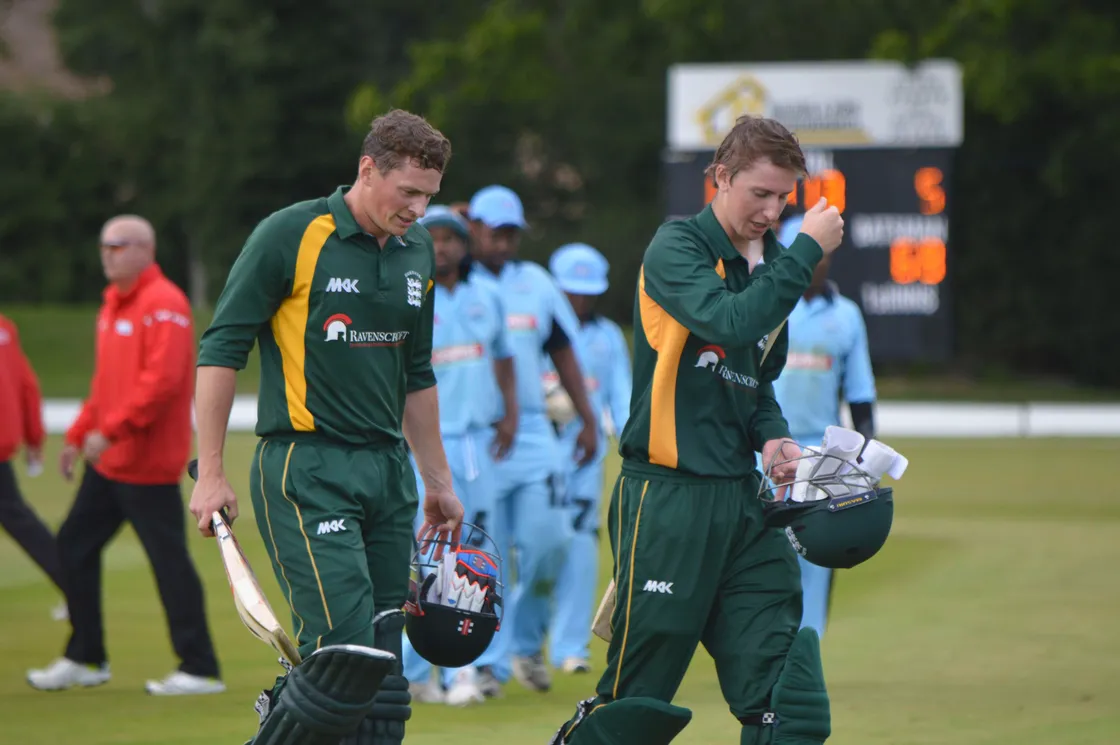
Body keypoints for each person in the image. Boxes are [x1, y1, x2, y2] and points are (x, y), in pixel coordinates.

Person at [550, 115, 845, 745]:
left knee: (789, 702)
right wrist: (806, 250)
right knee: (635, 708)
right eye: (759, 193)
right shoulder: (676, 248)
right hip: (668, 500)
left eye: (783, 198)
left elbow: (757, 381)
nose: (771, 211)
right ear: (720, 178)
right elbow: (731, 322)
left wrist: (774, 438)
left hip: (743, 505)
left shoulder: (764, 273)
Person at [189, 110, 465, 745]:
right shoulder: (290, 234)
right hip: (306, 467)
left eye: (430, 195)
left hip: (389, 473)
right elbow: (221, 350)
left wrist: (438, 480)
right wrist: (210, 471)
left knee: (385, 674)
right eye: (410, 192)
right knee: (341, 656)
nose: (420, 210)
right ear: (369, 170)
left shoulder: (417, 247)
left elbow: (416, 373)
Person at [26, 215, 223, 696]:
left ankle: (199, 668)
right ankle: (86, 656)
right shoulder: (112, 306)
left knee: (168, 560)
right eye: (103, 246)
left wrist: (110, 431)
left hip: (148, 463)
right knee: (73, 544)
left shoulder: (166, 304)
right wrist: (77, 434)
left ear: (143, 249)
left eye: (115, 246)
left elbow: (163, 383)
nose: (106, 254)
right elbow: (104, 385)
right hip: (110, 462)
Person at [465, 185, 599, 695]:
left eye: (510, 234)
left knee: (551, 543)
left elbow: (564, 353)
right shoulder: (454, 282)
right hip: (480, 437)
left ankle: (523, 641)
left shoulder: (537, 283)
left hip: (536, 434)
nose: (502, 243)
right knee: (483, 558)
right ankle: (491, 665)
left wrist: (587, 418)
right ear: (473, 228)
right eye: (493, 232)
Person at [399, 204, 519, 706]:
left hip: (473, 441)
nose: (443, 246)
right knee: (421, 553)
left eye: (450, 237)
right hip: (423, 443)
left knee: (478, 550)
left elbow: (504, 357)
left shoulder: (486, 294)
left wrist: (510, 414)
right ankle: (414, 668)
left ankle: (475, 666)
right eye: (435, 237)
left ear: (464, 244)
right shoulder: (407, 295)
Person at [772, 212, 878, 639]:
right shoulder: (768, 305)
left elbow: (860, 393)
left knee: (816, 556)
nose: (813, 262)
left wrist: (863, 462)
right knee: (764, 555)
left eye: (820, 253)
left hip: (823, 452)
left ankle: (805, 651)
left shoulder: (848, 316)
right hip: (765, 449)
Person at [543, 243, 632, 675]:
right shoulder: (535, 327)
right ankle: (509, 649)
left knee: (580, 546)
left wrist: (633, 445)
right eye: (571, 291)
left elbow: (623, 398)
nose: (579, 300)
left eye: (587, 292)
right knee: (535, 549)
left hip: (586, 455)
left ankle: (569, 647)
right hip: (535, 454)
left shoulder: (609, 335)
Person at [0, 314, 67, 613]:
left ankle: (76, 591)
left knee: (18, 519)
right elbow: (27, 383)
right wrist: (34, 437)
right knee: (19, 519)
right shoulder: (4, 328)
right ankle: (75, 589)